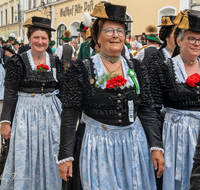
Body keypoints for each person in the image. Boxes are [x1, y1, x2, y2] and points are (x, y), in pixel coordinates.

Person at [57, 2, 165, 190]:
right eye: (109, 31)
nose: (116, 35)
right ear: (97, 38)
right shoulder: (82, 69)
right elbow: (70, 114)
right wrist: (65, 156)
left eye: (120, 31)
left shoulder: (136, 68)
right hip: (97, 146)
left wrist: (156, 146)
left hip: (134, 146)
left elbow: (147, 109)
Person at [0, 16, 64, 190]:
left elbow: (63, 89)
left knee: (51, 151)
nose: (40, 42)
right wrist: (5, 121)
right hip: (25, 113)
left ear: (49, 41)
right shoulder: (18, 61)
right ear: (29, 39)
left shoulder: (55, 61)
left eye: (44, 38)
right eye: (36, 37)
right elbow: (10, 92)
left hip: (51, 113)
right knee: (25, 152)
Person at [148, 9, 200, 190]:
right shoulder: (164, 67)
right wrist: (156, 146)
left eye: (199, 39)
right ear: (179, 40)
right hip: (175, 135)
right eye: (191, 39)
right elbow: (152, 109)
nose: (196, 43)